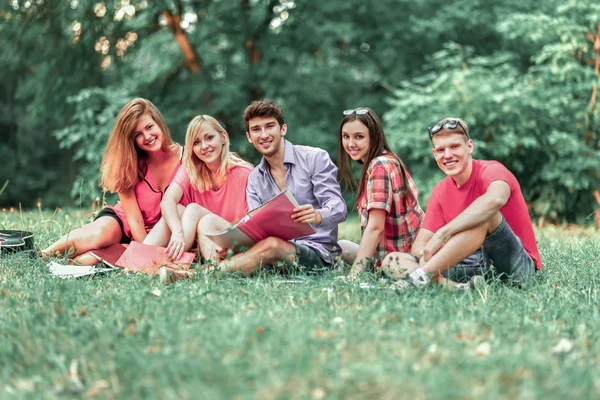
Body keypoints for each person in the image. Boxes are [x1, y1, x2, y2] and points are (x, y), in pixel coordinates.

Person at [382, 118, 542, 288]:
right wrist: (426, 256)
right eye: (441, 150)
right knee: (392, 260)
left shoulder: (492, 170)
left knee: (486, 217)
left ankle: (419, 278)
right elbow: (419, 245)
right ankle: (455, 288)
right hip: (469, 267)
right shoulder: (440, 191)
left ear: (470, 146)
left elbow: (496, 199)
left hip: (515, 266)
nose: (448, 155)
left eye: (455, 147)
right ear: (435, 154)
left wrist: (442, 234)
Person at [212, 99, 347, 275]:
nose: (263, 135)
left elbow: (340, 208)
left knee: (272, 246)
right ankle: (213, 270)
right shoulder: (254, 179)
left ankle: (204, 274)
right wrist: (234, 245)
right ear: (249, 137)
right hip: (276, 255)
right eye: (256, 129)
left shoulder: (315, 158)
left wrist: (318, 214)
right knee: (258, 246)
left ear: (283, 129)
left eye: (269, 126)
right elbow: (255, 227)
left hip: (318, 255)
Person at [41, 98, 183, 265]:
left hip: (157, 235)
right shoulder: (130, 162)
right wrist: (146, 252)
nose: (147, 136)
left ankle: (75, 262)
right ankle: (41, 256)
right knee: (99, 234)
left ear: (159, 123)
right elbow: (134, 220)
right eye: (138, 134)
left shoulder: (186, 159)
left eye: (149, 127)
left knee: (87, 261)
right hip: (124, 224)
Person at [145, 115, 252, 261]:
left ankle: (163, 263)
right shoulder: (190, 169)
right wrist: (177, 231)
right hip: (203, 239)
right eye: (196, 142)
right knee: (177, 210)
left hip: (237, 239)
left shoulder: (244, 173)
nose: (204, 146)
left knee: (195, 211)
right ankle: (137, 260)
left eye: (209, 138)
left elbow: (252, 224)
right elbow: (167, 201)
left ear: (223, 137)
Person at [336, 108, 423, 278]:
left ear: (374, 136)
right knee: (340, 246)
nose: (350, 143)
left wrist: (353, 276)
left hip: (402, 257)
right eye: (346, 136)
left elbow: (375, 228)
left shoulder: (379, 166)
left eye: (359, 137)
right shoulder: (387, 158)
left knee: (384, 263)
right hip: (383, 254)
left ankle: (373, 271)